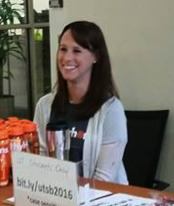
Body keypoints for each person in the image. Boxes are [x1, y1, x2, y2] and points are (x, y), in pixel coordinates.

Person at [34, 21, 128, 184]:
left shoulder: (112, 110)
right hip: (55, 194)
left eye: (76, 51)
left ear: (96, 56)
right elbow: (40, 161)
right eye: (63, 49)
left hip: (101, 196)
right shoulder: (45, 105)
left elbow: (103, 180)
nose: (67, 58)